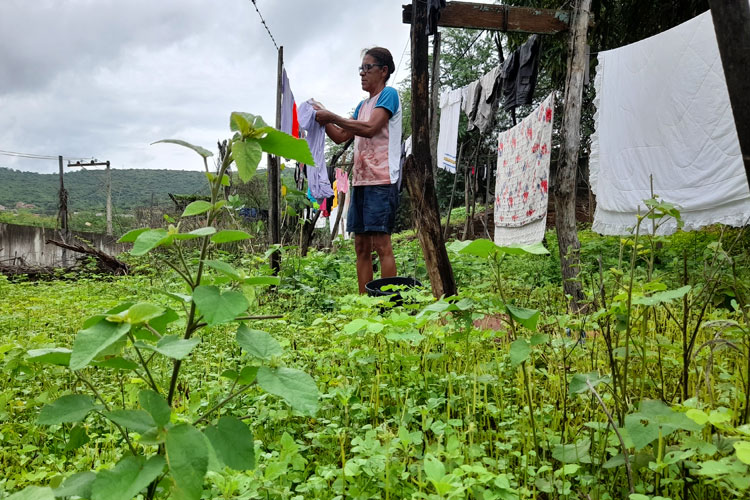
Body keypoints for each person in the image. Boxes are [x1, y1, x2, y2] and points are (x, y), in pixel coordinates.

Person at [313, 47, 403, 294]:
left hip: (382, 179)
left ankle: (388, 303)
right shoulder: (362, 105)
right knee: (361, 246)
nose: (362, 73)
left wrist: (331, 115)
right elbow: (342, 136)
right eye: (360, 69)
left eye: (367, 67)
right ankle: (366, 301)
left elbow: (370, 128)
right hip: (361, 181)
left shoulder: (389, 95)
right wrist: (322, 117)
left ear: (383, 71)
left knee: (382, 244)